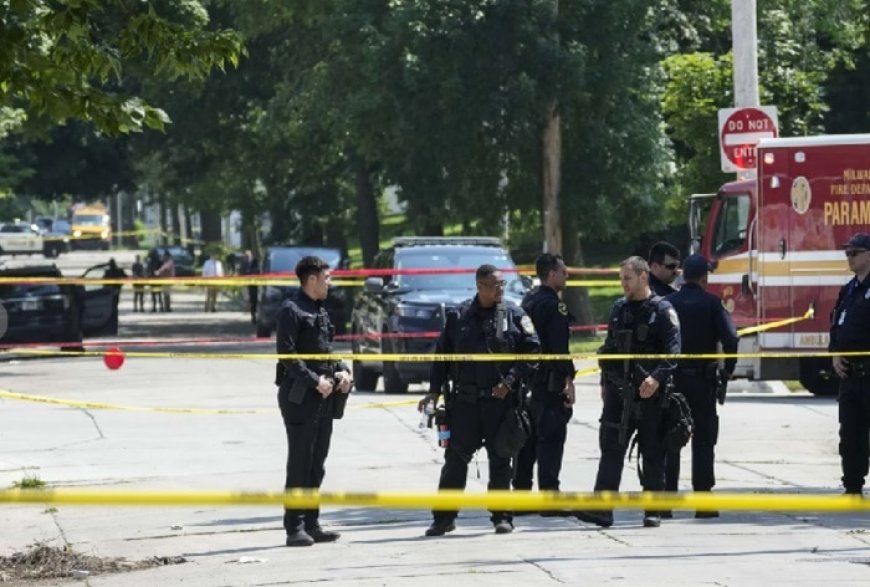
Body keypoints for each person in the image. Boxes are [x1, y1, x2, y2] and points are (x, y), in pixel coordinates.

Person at [418, 264, 540, 537]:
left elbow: (533, 353)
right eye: (494, 285)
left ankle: (502, 517)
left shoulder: (513, 314)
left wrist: (509, 382)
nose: (500, 290)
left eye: (502, 285)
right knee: (455, 462)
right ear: (479, 286)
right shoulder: (458, 316)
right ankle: (443, 518)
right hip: (465, 405)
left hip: (501, 405)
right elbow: (442, 358)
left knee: (500, 461)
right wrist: (433, 391)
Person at [575, 256, 680, 529]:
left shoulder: (663, 310)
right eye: (621, 279)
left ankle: (653, 510)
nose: (623, 284)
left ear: (643, 277)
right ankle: (601, 510)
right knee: (611, 449)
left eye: (627, 279)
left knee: (653, 451)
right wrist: (604, 384)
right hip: (619, 394)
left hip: (651, 396)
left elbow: (674, 352)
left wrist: (656, 379)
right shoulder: (619, 309)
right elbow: (608, 348)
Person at [276, 256, 353, 547]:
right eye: (327, 278)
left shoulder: (320, 311)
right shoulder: (291, 310)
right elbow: (287, 355)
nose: (330, 283)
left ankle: (312, 522)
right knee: (300, 462)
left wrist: (343, 370)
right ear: (312, 279)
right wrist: (314, 380)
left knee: (317, 463)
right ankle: (294, 527)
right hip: (300, 396)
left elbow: (327, 352)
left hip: (324, 396)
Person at [665, 254, 738, 517]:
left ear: (684, 277)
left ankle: (665, 502)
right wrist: (727, 371)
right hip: (702, 382)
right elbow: (731, 339)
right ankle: (704, 501)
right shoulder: (712, 304)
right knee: (704, 440)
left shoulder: (668, 303)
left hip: (672, 382)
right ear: (705, 278)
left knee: (671, 438)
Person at [512, 254, 575, 509]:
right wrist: (569, 380)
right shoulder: (554, 306)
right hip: (549, 385)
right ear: (551, 274)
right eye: (563, 271)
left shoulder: (528, 300)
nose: (566, 276)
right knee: (551, 439)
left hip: (526, 383)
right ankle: (550, 497)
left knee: (526, 441)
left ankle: (522, 496)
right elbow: (559, 348)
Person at [830, 233, 870, 496]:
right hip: (850, 374)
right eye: (847, 253)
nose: (850, 258)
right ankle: (852, 486)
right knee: (850, 433)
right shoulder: (849, 289)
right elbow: (836, 324)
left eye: (855, 253)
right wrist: (834, 354)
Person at [102, 258, 127, 334]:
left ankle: (112, 325)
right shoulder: (118, 270)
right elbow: (125, 277)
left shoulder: (108, 271)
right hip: (115, 291)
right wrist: (120, 285)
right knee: (114, 308)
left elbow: (103, 281)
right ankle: (113, 324)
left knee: (112, 308)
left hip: (111, 292)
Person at [240, 250, 260, 325]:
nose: (246, 257)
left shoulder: (255, 261)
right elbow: (241, 272)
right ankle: (253, 315)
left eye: (248, 256)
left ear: (251, 255)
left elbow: (257, 271)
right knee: (251, 300)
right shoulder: (243, 263)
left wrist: (249, 272)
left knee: (255, 300)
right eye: (245, 256)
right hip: (247, 284)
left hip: (255, 284)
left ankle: (255, 315)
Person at [147, 248, 164, 313]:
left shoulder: (151, 262)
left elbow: (148, 270)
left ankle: (155, 307)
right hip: (157, 279)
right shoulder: (159, 261)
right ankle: (160, 307)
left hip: (153, 279)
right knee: (158, 294)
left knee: (154, 294)